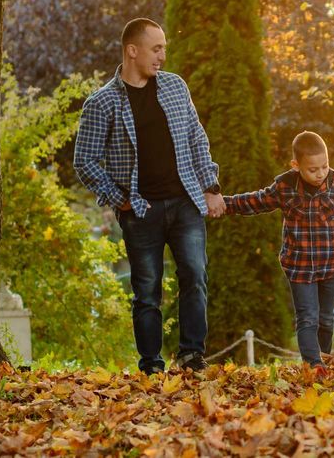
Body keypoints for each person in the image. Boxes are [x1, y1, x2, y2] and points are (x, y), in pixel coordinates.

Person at [74, 18, 226, 375]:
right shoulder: (102, 103)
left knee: (195, 276)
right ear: (132, 50)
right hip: (140, 211)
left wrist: (211, 187)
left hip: (186, 201)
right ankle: (151, 365)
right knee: (147, 291)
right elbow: (84, 160)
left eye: (164, 48)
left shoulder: (175, 87)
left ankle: (192, 355)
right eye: (156, 49)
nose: (162, 56)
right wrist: (117, 197)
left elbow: (196, 139)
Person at [222, 131, 334, 370]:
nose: (320, 173)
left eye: (324, 166)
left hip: (331, 265)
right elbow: (256, 201)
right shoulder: (285, 186)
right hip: (299, 267)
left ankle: (323, 359)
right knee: (307, 318)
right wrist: (224, 204)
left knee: (325, 318)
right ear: (296, 166)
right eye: (313, 169)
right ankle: (313, 366)